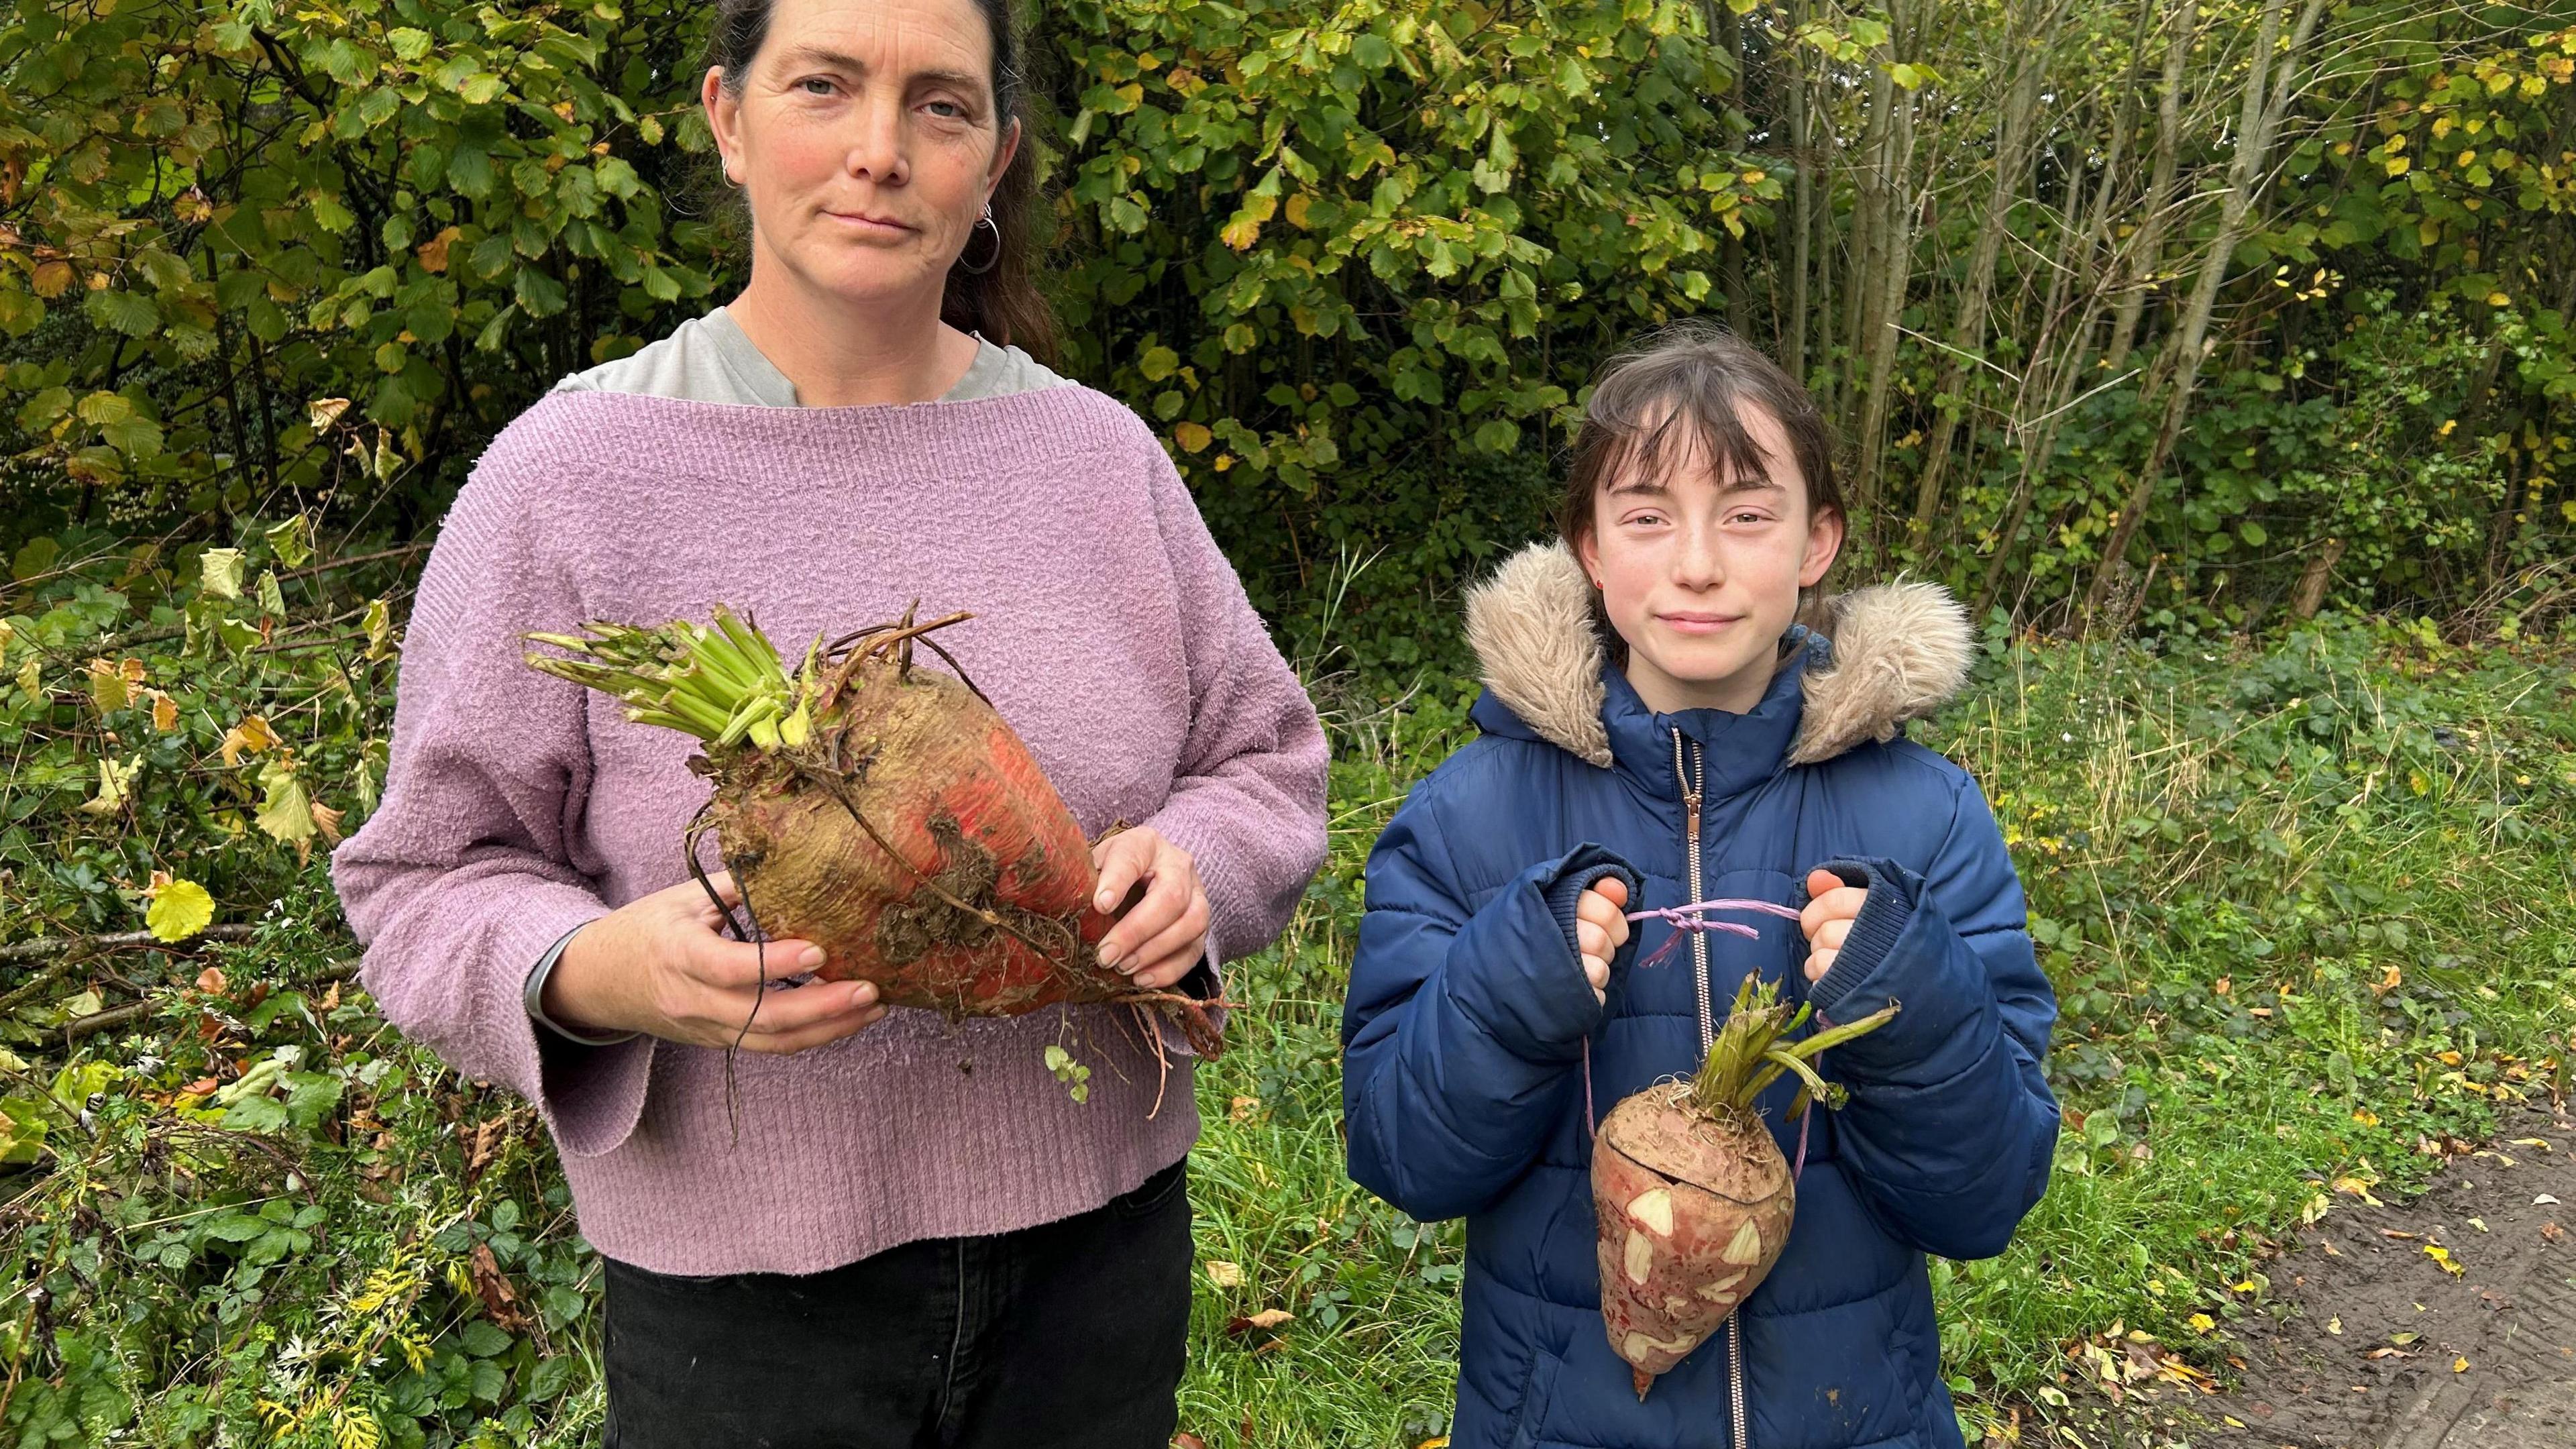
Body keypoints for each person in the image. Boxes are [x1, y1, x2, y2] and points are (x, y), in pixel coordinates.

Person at [329, 0, 1329, 1442]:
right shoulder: (573, 476)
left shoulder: (1096, 460)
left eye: (939, 104)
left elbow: (1264, 761)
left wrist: (1200, 867)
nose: (880, 151)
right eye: (825, 86)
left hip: (1098, 1271)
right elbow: (422, 879)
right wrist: (595, 970)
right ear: (728, 119)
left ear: (996, 161)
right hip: (743, 1326)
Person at [1339, 323, 2057, 1449]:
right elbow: (1401, 1159)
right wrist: (1509, 987)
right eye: (1646, 517)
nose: (1698, 564)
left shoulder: (1927, 818)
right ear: (1587, 546)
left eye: (1747, 514)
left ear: (1817, 542)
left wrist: (1906, 1001)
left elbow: (1985, 1198)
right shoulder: (1468, 818)